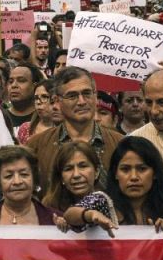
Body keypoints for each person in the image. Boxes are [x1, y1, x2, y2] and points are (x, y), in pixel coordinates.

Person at [23, 67, 125, 195]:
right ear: (57, 101)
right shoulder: (36, 146)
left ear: (95, 96)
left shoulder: (120, 144)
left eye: (87, 93)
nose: (81, 102)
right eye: (72, 96)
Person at [107, 136, 163, 231]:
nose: (134, 177)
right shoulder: (103, 209)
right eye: (125, 169)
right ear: (115, 174)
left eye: (142, 169)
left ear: (155, 173)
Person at [53, 142, 120, 235]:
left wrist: (91, 214)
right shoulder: (50, 208)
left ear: (96, 172)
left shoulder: (99, 199)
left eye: (83, 166)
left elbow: (70, 214)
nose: (76, 175)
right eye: (68, 168)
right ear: (61, 177)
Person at [4, 63, 42, 127]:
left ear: (35, 86)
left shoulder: (43, 118)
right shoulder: (0, 117)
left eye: (21, 81)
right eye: (10, 81)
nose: (14, 85)